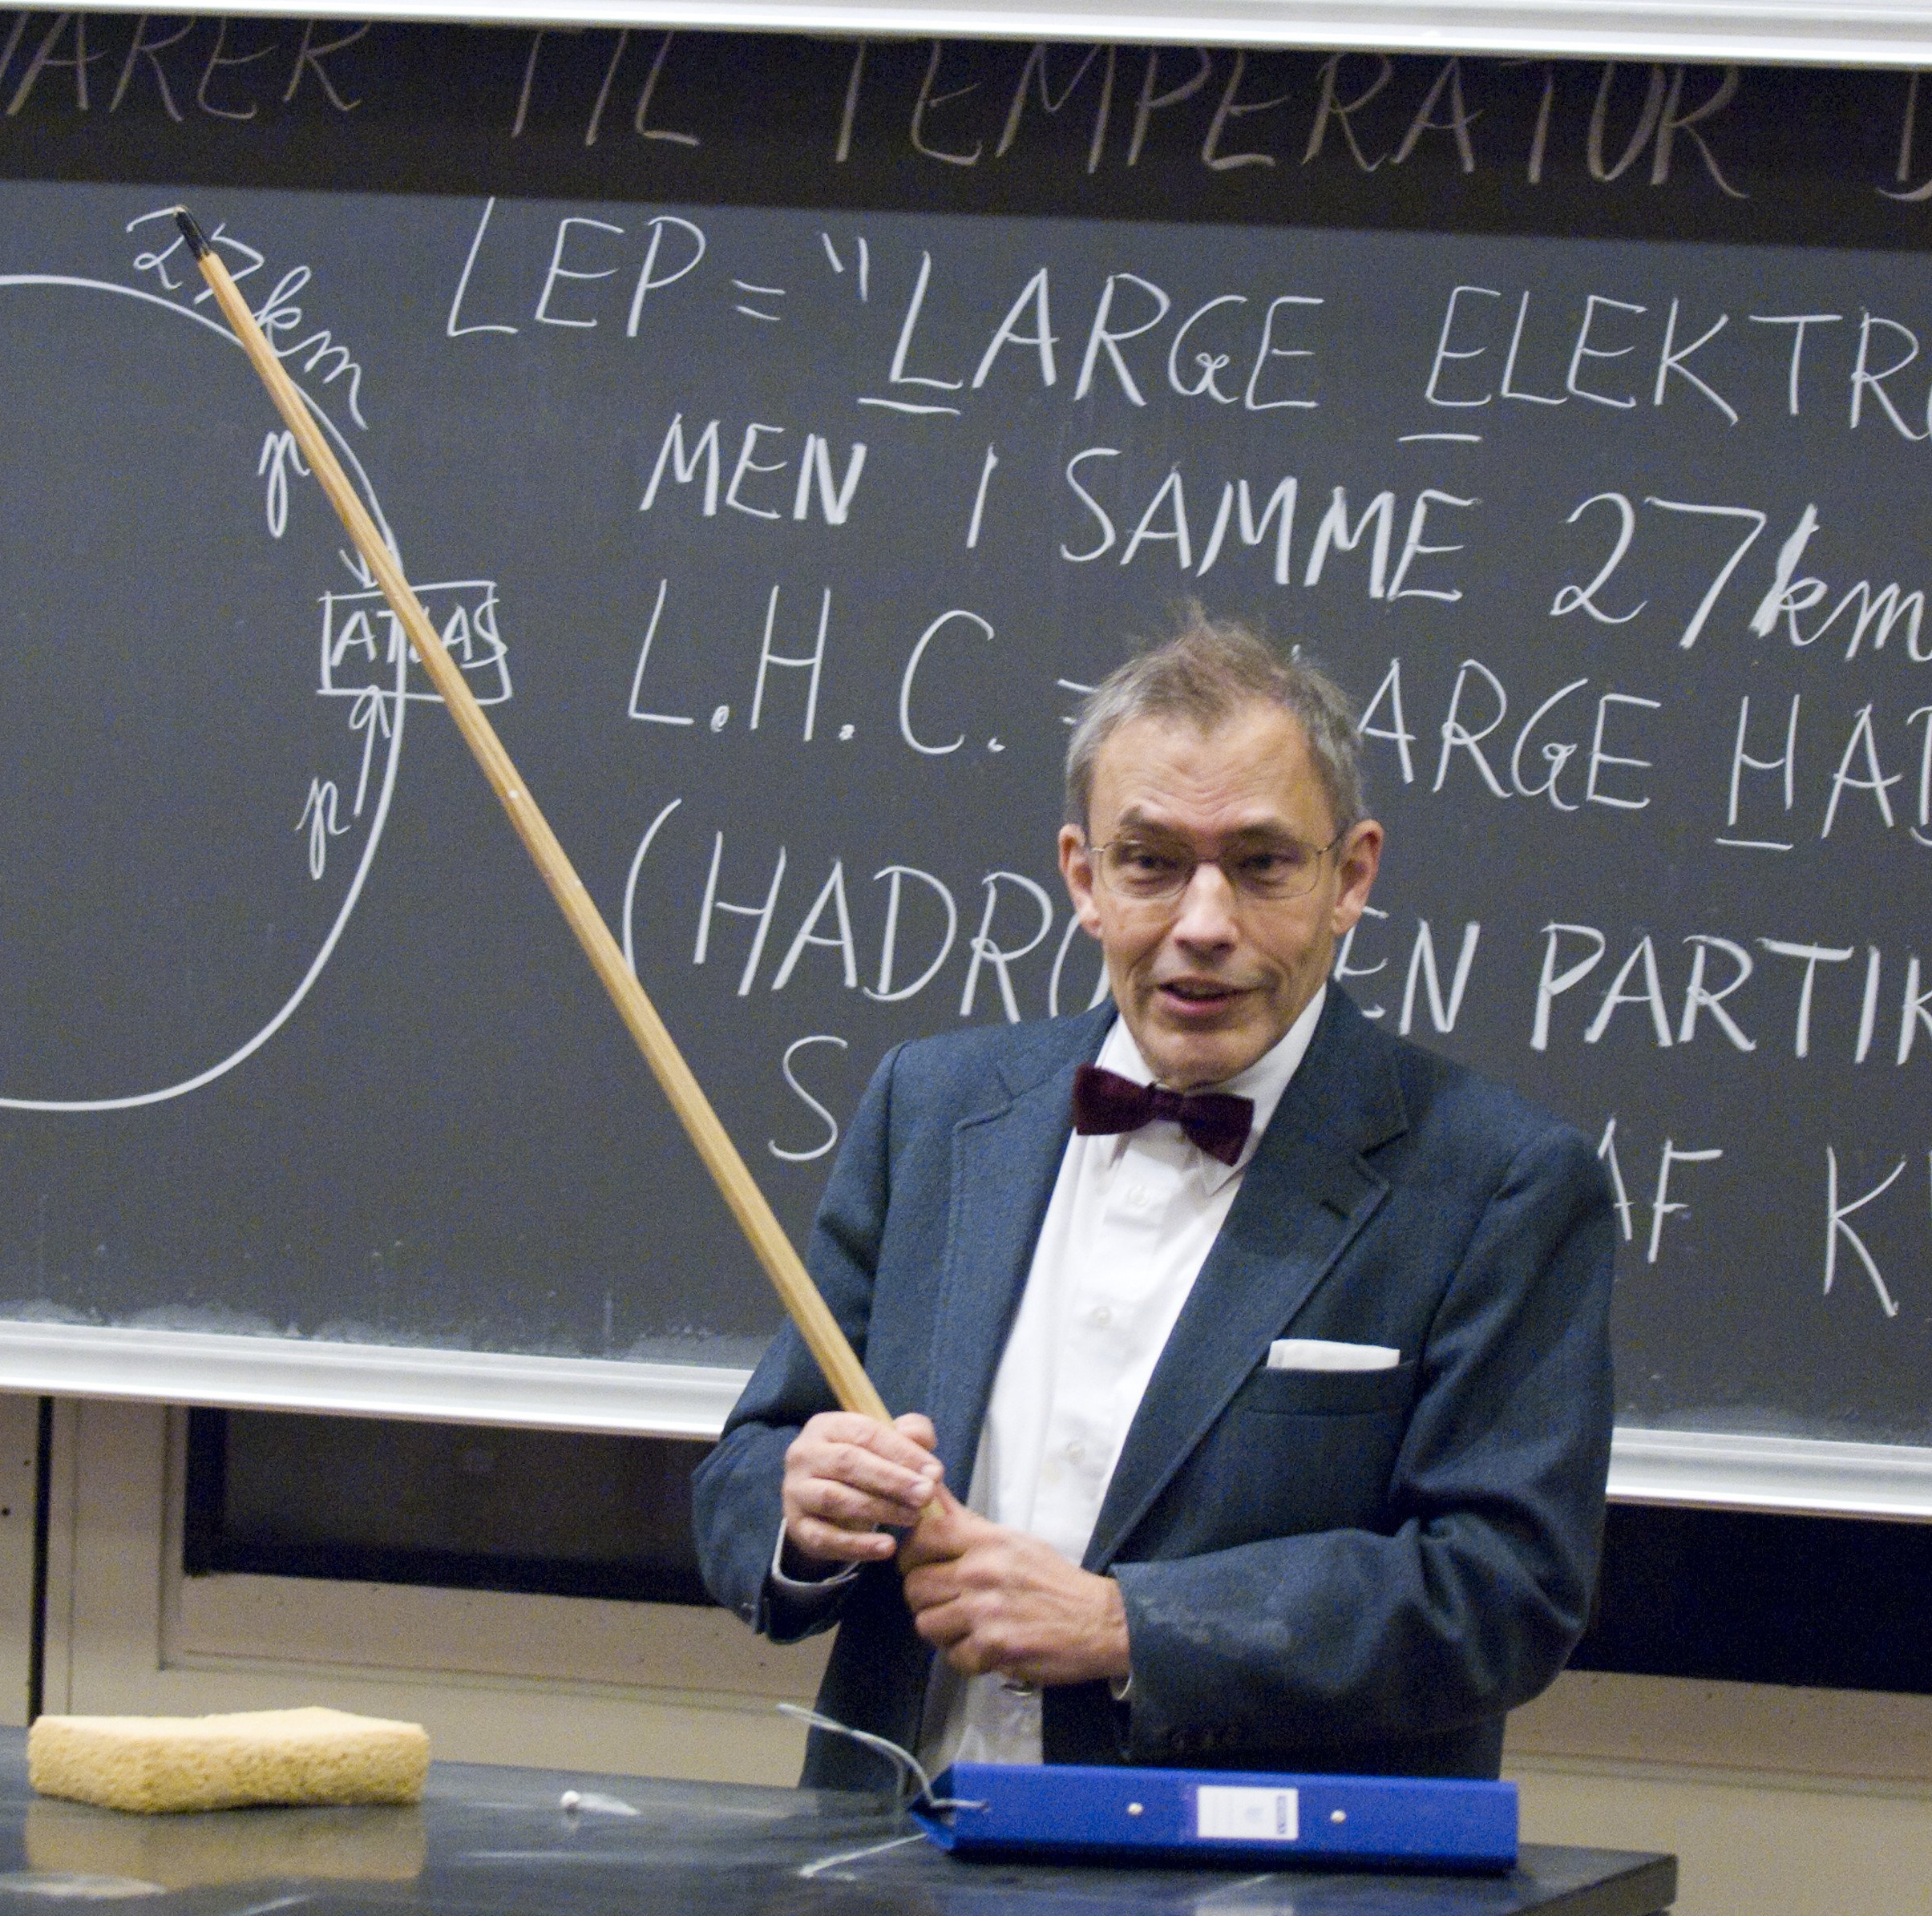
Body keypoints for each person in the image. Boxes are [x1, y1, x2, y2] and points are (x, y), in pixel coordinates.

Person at [690, 616, 1615, 1781]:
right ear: (1084, 876)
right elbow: (748, 1466)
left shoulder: (1501, 1182)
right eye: (1152, 862)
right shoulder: (932, 1108)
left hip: (1241, 1866)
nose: (1204, 925)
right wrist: (801, 1508)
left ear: (1351, 877)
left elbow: (1505, 1587)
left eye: (1262, 864)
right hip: (885, 1850)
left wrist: (1132, 1629)